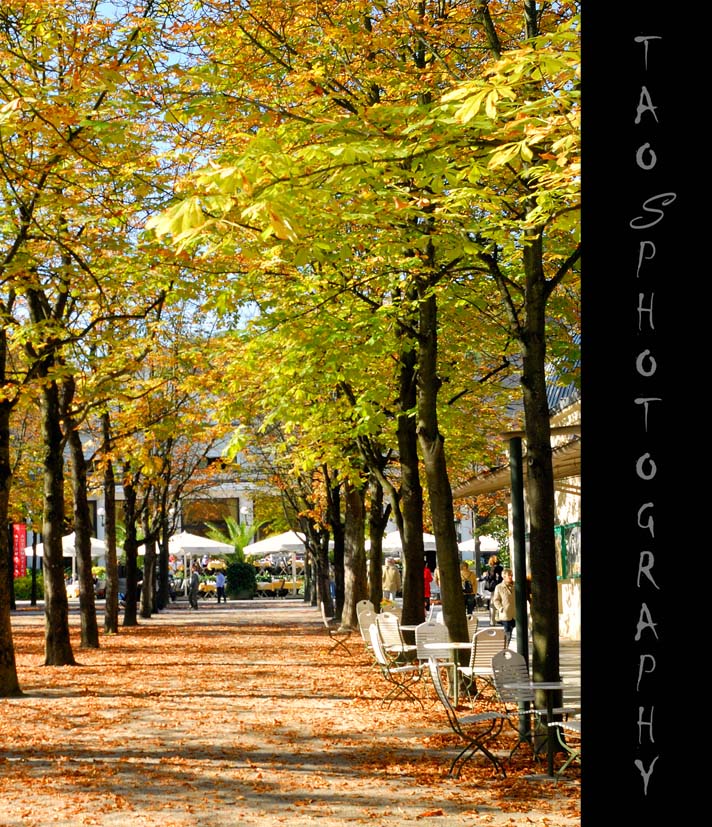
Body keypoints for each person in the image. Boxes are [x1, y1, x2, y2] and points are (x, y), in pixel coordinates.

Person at [492, 568, 516, 648]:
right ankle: (505, 649)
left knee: (516, 633)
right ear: (504, 576)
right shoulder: (499, 587)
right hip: (506, 614)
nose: (511, 577)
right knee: (508, 632)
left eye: (511, 575)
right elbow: (496, 600)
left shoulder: (516, 585)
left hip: (516, 614)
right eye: (509, 575)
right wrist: (500, 608)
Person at [480, 555, 503, 624]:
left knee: (492, 604)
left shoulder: (493, 568)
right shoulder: (501, 568)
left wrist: (484, 577)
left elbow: (490, 577)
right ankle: (500, 618)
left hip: (494, 588)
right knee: (500, 603)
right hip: (501, 586)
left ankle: (493, 621)